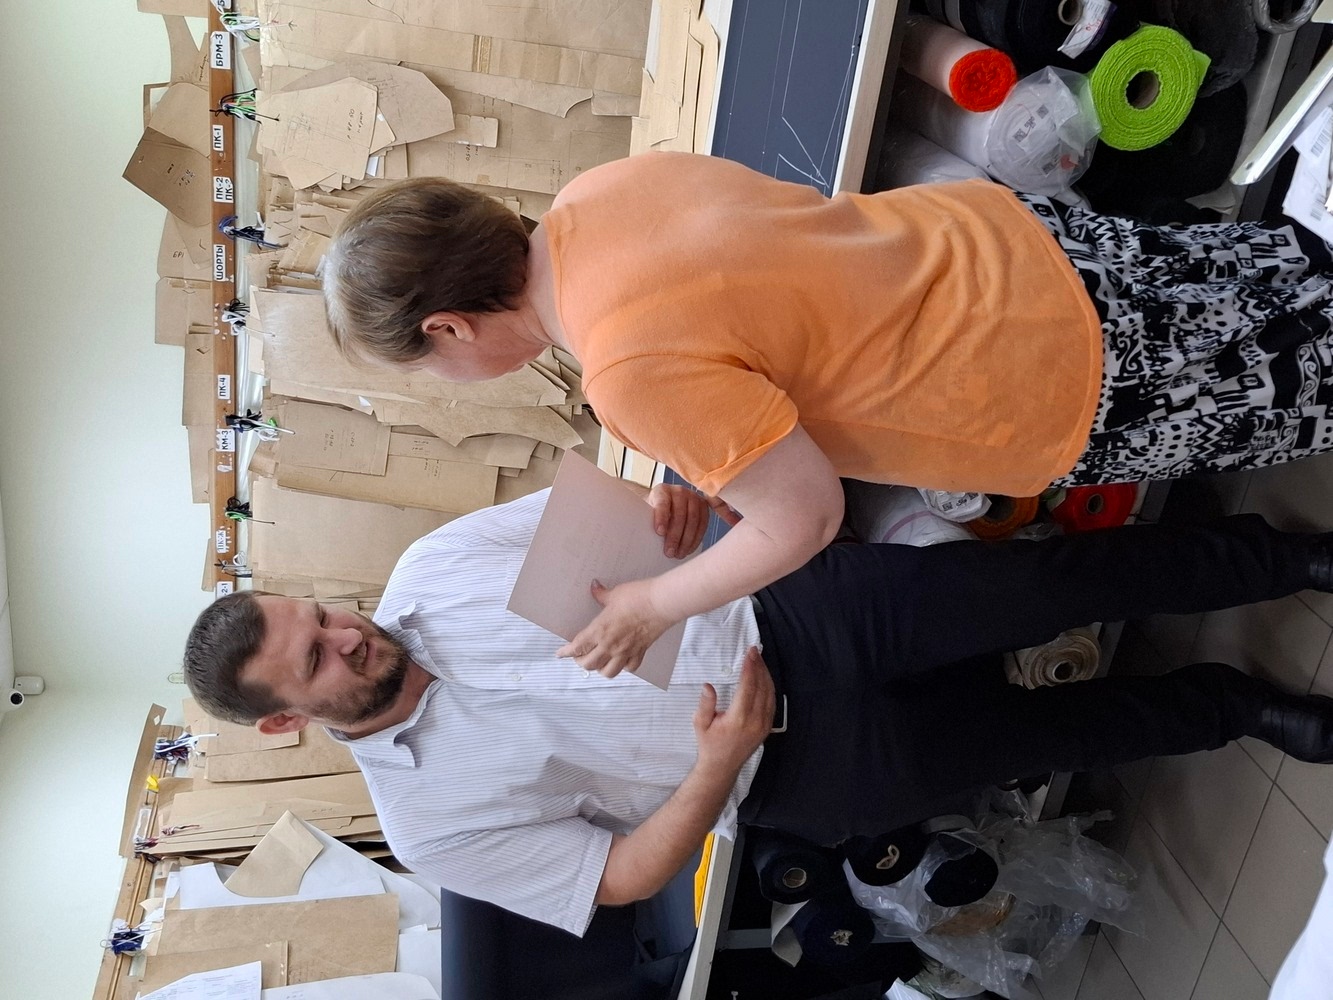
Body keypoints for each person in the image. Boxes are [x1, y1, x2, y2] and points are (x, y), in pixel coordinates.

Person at [320, 152, 1333, 680]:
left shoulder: (625, 374)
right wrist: (705, 464)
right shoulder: (602, 190)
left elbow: (803, 517)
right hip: (1020, 249)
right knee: (1295, 282)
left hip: (1044, 372)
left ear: (447, 327)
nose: (454, 379)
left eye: (432, 365)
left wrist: (652, 607)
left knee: (1305, 380)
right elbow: (771, 306)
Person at [184, 484, 1333, 935]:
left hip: (796, 613)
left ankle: (1282, 560)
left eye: (319, 612)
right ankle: (1236, 706)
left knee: (1049, 586)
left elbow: (628, 517)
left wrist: (669, 508)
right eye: (316, 657)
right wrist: (713, 763)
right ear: (286, 722)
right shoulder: (427, 820)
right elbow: (617, 876)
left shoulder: (432, 568)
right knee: (1055, 735)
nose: (348, 632)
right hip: (793, 770)